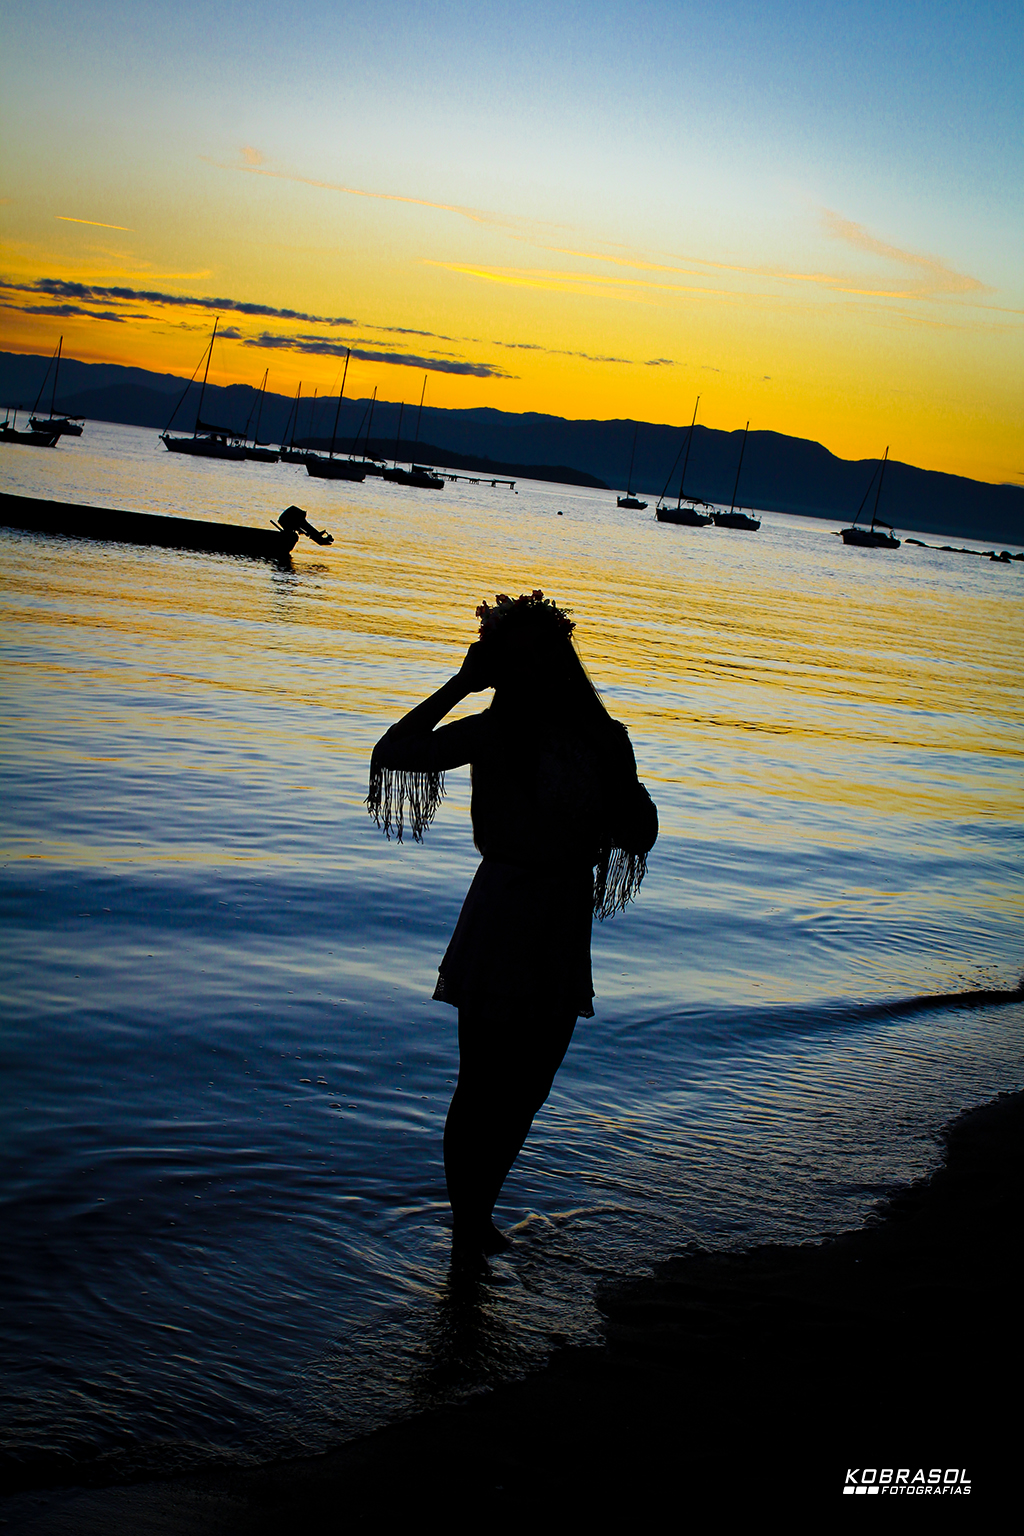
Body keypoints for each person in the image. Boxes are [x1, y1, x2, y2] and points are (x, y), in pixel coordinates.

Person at [368, 591, 657, 1255]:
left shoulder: (604, 739)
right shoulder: (493, 731)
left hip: (561, 915)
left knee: (530, 1087)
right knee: (481, 1085)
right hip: (502, 909)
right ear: (498, 668)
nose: (527, 671)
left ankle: (478, 1215)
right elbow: (396, 750)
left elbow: (637, 832)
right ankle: (471, 1226)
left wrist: (628, 802)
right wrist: (462, 682)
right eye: (512, 661)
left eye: (537, 657)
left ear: (560, 659)